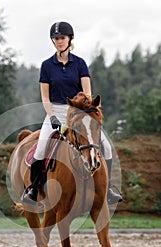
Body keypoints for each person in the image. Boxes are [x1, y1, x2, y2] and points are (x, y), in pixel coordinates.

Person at [22, 21, 122, 205]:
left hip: (78, 112)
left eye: (62, 38)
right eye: (56, 38)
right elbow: (45, 97)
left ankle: (107, 190)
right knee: (42, 148)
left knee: (106, 147)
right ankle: (34, 189)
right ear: (53, 41)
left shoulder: (80, 63)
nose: (59, 41)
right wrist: (51, 116)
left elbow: (88, 93)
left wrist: (83, 114)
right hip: (55, 111)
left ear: (70, 39)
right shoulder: (46, 65)